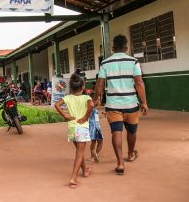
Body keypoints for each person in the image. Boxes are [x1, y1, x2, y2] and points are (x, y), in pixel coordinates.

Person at [94, 34, 148, 176]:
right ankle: (130, 154)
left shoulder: (105, 63)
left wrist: (95, 99)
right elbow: (139, 82)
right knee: (131, 131)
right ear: (126, 47)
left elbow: (100, 83)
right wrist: (144, 103)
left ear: (113, 48)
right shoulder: (134, 61)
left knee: (116, 132)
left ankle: (120, 162)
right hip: (131, 104)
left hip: (113, 104)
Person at [55, 74, 94, 189]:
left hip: (72, 127)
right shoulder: (86, 98)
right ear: (83, 87)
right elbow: (91, 105)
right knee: (79, 153)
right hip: (82, 127)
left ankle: (85, 171)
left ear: (71, 88)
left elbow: (57, 105)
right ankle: (73, 178)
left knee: (79, 151)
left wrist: (64, 115)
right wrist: (85, 117)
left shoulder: (68, 97)